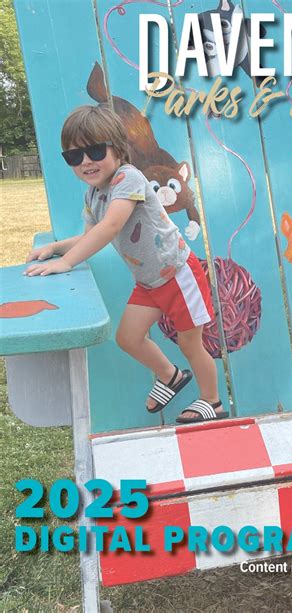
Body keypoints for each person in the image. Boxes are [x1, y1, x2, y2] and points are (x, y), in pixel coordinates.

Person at [25, 104, 228, 424]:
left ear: (118, 149)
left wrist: (66, 262)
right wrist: (54, 248)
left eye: (95, 151)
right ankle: (170, 376)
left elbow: (111, 226)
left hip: (178, 275)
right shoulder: (93, 195)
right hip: (149, 283)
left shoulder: (128, 178)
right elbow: (90, 235)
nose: (86, 161)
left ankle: (212, 401)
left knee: (191, 344)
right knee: (128, 338)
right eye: (74, 156)